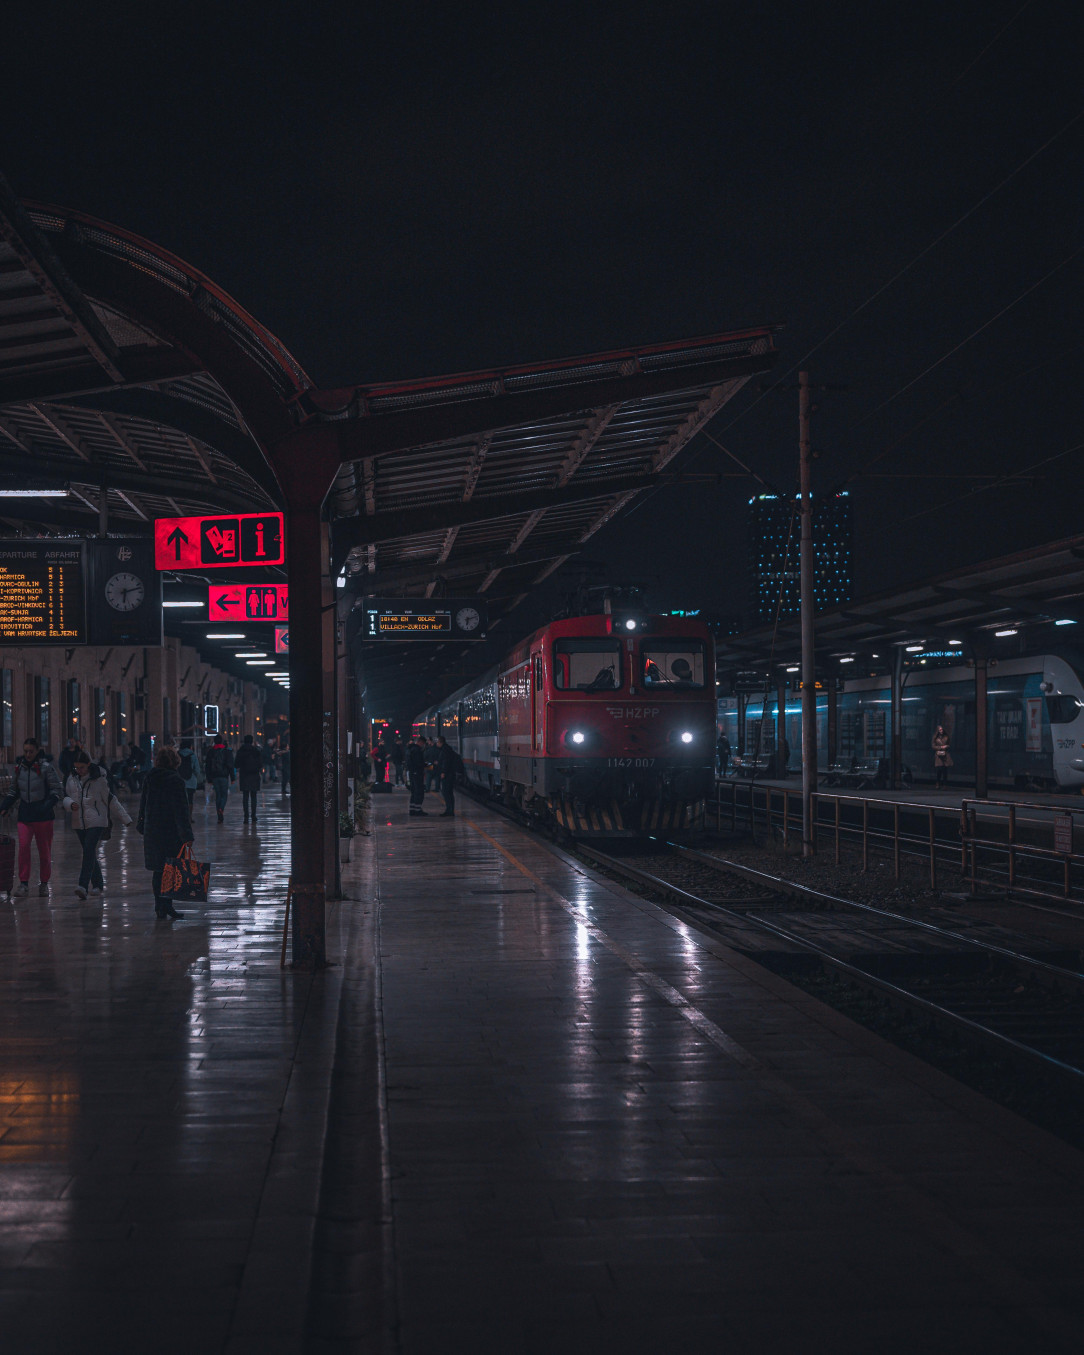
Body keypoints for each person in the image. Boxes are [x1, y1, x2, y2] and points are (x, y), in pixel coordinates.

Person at [63, 750, 131, 899]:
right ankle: (98, 884)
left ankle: (82, 885)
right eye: (76, 768)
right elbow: (66, 796)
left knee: (88, 851)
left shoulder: (99, 780)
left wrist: (125, 818)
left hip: (97, 820)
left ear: (88, 764)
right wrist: (70, 804)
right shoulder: (71, 779)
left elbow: (110, 799)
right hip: (79, 822)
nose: (79, 771)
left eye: (81, 767)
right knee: (90, 853)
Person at [0, 737, 63, 896]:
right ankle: (23, 883)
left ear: (37, 751)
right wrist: (4, 806)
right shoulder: (19, 768)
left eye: (31, 751)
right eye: (25, 751)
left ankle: (44, 883)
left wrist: (47, 806)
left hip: (43, 816)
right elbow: (14, 791)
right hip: (25, 815)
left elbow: (57, 790)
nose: (28, 754)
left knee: (44, 851)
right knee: (23, 848)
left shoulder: (46, 768)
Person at [137, 746, 194, 920]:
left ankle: (159, 906)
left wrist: (142, 824)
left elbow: (143, 803)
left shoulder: (150, 778)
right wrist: (187, 836)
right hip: (171, 832)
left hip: (153, 830)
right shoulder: (176, 780)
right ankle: (167, 905)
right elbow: (181, 811)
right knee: (170, 869)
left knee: (158, 870)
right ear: (175, 761)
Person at [204, 734, 235, 823]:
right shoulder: (226, 751)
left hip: (214, 776)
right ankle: (221, 808)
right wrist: (232, 778)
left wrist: (209, 779)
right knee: (224, 795)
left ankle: (219, 814)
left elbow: (207, 766)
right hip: (224, 776)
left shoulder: (211, 751)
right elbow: (230, 766)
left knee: (218, 795)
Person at [236, 734, 263, 823]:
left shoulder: (240, 751)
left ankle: (246, 817)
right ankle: (253, 815)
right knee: (254, 796)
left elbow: (236, 764)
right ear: (252, 741)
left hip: (244, 775)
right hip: (254, 775)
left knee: (245, 796)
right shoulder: (256, 750)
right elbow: (260, 764)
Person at [436, 735, 463, 818]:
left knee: (446, 792)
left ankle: (449, 810)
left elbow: (446, 762)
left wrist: (443, 772)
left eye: (437, 742)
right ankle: (450, 810)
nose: (436, 744)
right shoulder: (447, 749)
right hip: (450, 774)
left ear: (440, 742)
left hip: (447, 775)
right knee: (449, 793)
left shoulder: (445, 750)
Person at [406, 736, 427, 816]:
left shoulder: (410, 749)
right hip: (417, 773)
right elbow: (418, 763)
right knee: (419, 792)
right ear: (420, 742)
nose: (423, 745)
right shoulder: (417, 750)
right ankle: (418, 810)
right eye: (423, 743)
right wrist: (426, 765)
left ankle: (412, 809)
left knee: (414, 792)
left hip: (412, 773)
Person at [178, 740, 201, 811]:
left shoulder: (177, 755)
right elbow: (197, 770)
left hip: (179, 781)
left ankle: (181, 815)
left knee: (180, 800)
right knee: (190, 799)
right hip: (191, 781)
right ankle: (189, 817)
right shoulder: (193, 756)